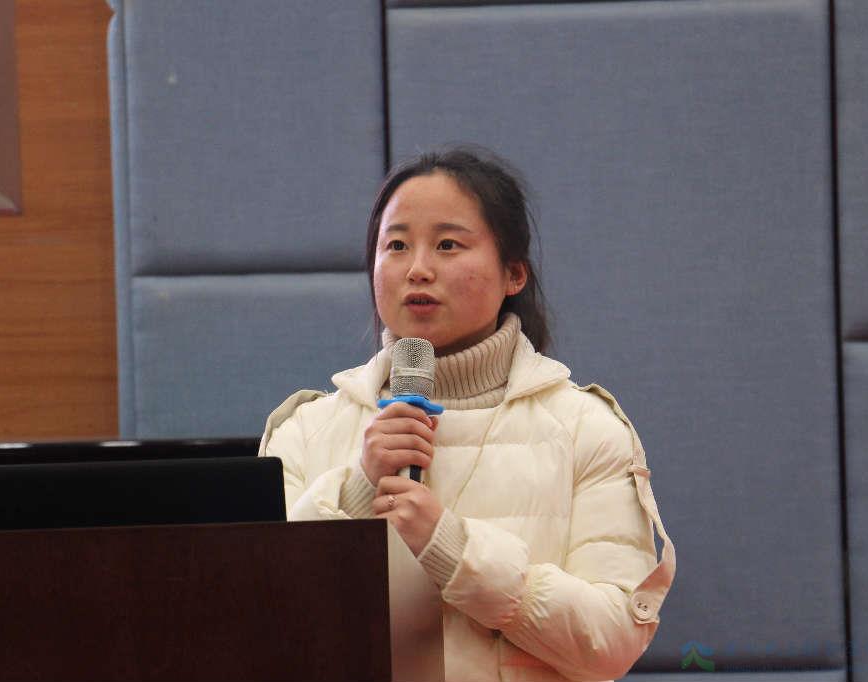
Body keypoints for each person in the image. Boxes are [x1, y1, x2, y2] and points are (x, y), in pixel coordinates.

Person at [259, 146, 674, 682]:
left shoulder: (585, 429)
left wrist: (454, 551)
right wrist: (359, 488)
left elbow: (611, 642)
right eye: (396, 245)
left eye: (448, 245)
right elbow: (264, 620)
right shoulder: (303, 431)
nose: (418, 269)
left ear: (513, 274)